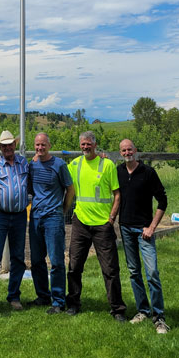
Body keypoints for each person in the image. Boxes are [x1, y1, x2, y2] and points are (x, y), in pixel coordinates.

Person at [66, 131, 126, 321]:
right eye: (83, 144)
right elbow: (60, 177)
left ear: (95, 144)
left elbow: (117, 194)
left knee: (110, 269)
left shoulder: (107, 164)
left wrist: (111, 219)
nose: (85, 147)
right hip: (81, 223)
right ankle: (73, 303)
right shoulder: (74, 165)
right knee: (74, 266)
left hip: (102, 225)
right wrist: (36, 157)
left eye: (88, 144)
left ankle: (117, 309)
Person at [118, 138, 169, 334]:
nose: (127, 153)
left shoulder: (148, 172)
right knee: (134, 272)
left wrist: (152, 227)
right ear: (120, 153)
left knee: (152, 273)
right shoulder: (118, 172)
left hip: (144, 230)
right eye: (123, 150)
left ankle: (159, 317)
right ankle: (143, 311)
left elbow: (162, 200)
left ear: (135, 150)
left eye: (129, 149)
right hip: (125, 228)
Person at [0, 130, 29, 311]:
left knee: (18, 257)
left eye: (10, 144)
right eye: (4, 145)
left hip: (19, 215)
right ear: (0, 147)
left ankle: (14, 296)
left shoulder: (24, 163)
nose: (7, 148)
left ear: (15, 145)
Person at [28, 133, 74, 313]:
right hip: (35, 217)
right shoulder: (32, 165)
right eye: (37, 145)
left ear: (49, 145)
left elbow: (70, 189)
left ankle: (58, 300)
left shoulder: (59, 165)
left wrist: (63, 210)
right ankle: (42, 295)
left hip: (53, 217)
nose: (40, 148)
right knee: (36, 260)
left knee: (56, 261)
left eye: (43, 145)